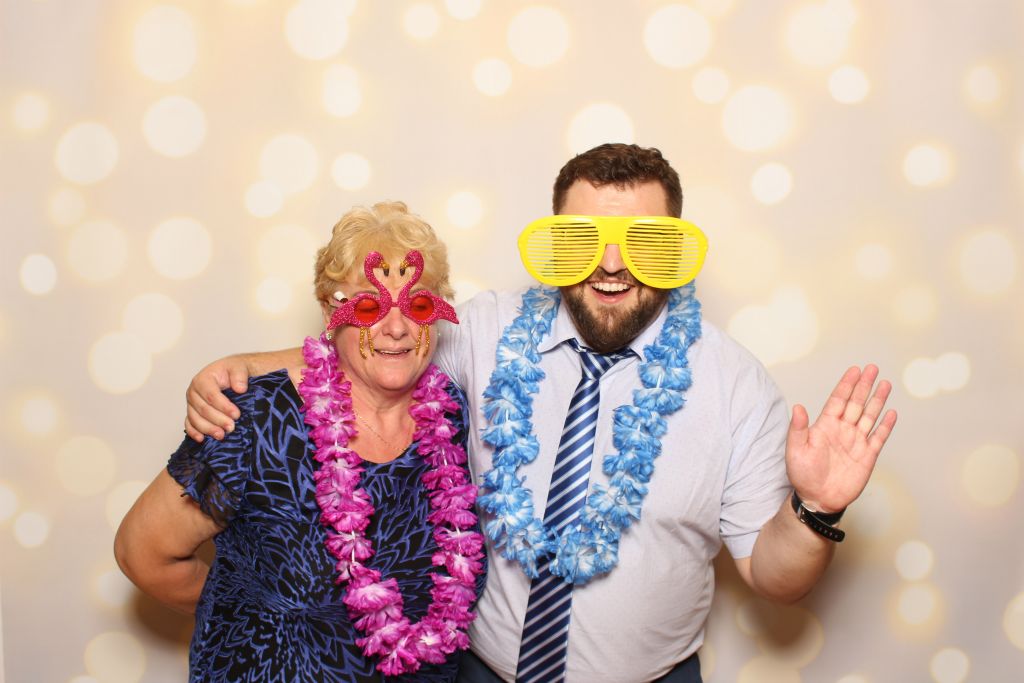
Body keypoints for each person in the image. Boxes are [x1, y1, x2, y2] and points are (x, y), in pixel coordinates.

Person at [182, 144, 898, 683]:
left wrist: (814, 508)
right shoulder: (487, 330)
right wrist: (243, 365)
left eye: (644, 241)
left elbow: (775, 577)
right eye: (584, 240)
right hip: (478, 672)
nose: (611, 265)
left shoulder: (734, 385)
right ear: (556, 242)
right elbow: (385, 344)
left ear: (676, 247)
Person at [114, 201, 486, 682]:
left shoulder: (455, 413)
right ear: (331, 310)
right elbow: (144, 554)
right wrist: (243, 617)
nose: (396, 329)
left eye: (416, 306)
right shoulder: (257, 417)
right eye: (369, 306)